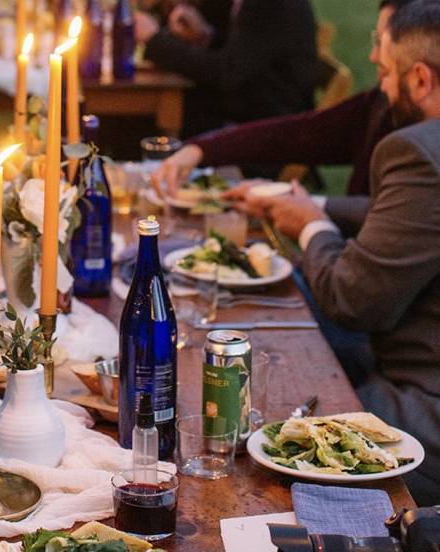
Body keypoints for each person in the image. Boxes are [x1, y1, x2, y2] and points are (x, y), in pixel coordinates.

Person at [239, 0, 440, 505]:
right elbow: (407, 214)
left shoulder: (418, 150)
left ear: (420, 79)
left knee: (254, 427)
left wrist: (312, 226)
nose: (383, 89)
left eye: (387, 74)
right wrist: (315, 203)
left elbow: (351, 298)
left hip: (420, 407)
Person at [154, 0, 413, 201]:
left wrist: (311, 214)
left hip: (258, 123)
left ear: (421, 77)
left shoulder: (416, 147)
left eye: (382, 42)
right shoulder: (378, 105)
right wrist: (199, 149)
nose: (373, 56)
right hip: (256, 123)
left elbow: (228, 73)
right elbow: (302, 131)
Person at [135, 0, 317, 137]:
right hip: (247, 107)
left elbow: (226, 73)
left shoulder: (269, 4)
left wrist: (154, 40)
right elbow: (246, 54)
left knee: (147, 119)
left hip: (268, 128)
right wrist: (206, 37)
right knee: (142, 115)